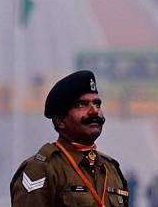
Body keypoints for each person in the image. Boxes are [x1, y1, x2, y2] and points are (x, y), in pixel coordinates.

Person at [11, 70, 129, 206]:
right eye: (82, 105)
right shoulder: (43, 169)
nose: (94, 111)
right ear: (60, 120)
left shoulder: (110, 169)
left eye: (97, 104)